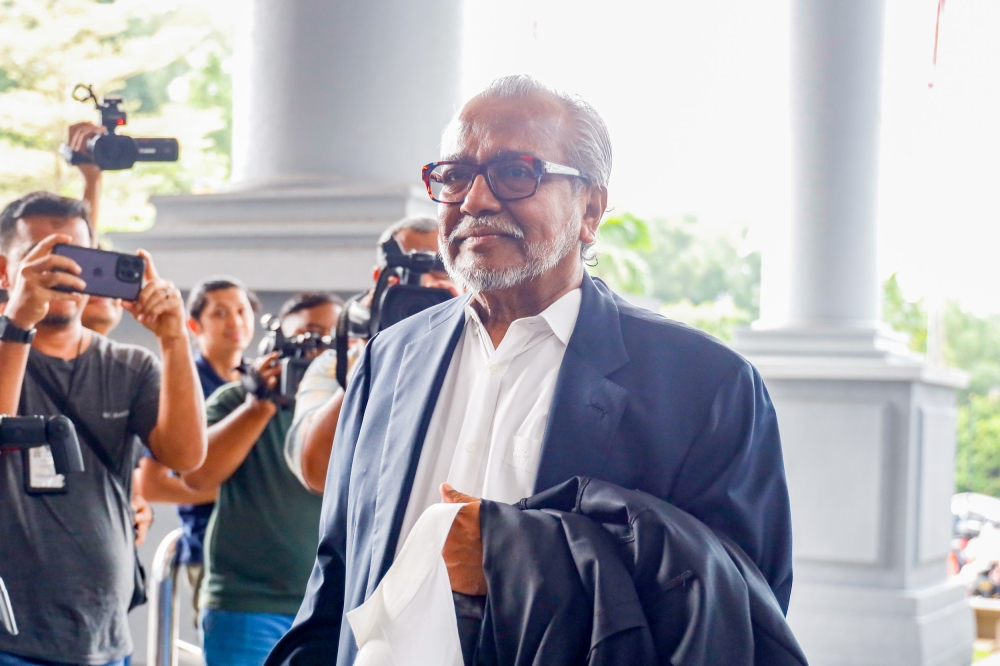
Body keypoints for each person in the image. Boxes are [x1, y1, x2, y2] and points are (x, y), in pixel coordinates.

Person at [265, 75, 793, 666]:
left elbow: (739, 616)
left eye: (516, 172)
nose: (475, 200)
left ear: (590, 208)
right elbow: (336, 578)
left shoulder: (705, 385)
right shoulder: (389, 359)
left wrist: (512, 556)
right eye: (454, 175)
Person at [0, 191, 206, 666]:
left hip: (103, 634)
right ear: (5, 271)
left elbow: (186, 456)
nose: (65, 273)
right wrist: (19, 321)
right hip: (9, 636)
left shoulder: (130, 365)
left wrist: (174, 339)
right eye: (46, 257)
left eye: (78, 257)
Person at [179, 292, 341, 666]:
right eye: (309, 337)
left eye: (334, 339)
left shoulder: (356, 402)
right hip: (248, 605)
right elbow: (197, 476)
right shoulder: (233, 400)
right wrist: (260, 406)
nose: (321, 351)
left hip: (332, 603)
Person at [284, 216, 458, 493]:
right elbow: (316, 472)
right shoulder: (337, 364)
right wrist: (373, 359)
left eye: (442, 271)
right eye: (406, 273)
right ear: (380, 279)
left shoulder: (480, 352)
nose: (423, 286)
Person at [135, 277, 260, 617]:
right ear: (193, 325)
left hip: (270, 551)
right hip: (213, 551)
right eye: (220, 313)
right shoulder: (182, 385)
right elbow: (151, 484)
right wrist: (237, 493)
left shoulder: (262, 381)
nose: (235, 321)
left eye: (241, 311)